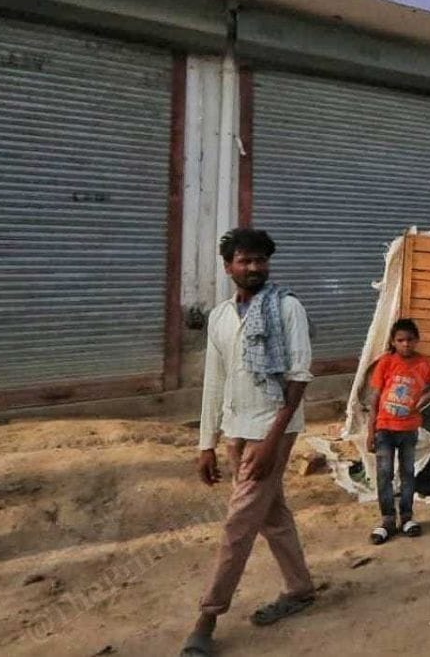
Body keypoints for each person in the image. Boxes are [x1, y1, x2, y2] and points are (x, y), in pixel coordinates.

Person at [182, 228, 316, 657]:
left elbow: (298, 378)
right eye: (246, 260)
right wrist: (207, 443)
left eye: (261, 260)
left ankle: (207, 617)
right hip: (237, 428)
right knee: (271, 514)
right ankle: (299, 589)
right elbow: (214, 383)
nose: (255, 268)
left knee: (238, 522)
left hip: (274, 428)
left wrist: (272, 441)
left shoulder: (288, 308)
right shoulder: (221, 317)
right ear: (228, 267)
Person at [366, 318, 430, 544]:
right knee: (384, 474)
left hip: (408, 429)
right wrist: (370, 430)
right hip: (384, 427)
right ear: (393, 342)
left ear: (416, 341)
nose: (405, 344)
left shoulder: (423, 364)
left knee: (407, 473)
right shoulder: (386, 362)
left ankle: (407, 517)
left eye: (409, 340)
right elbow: (374, 397)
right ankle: (387, 520)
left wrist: (424, 397)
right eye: (400, 340)